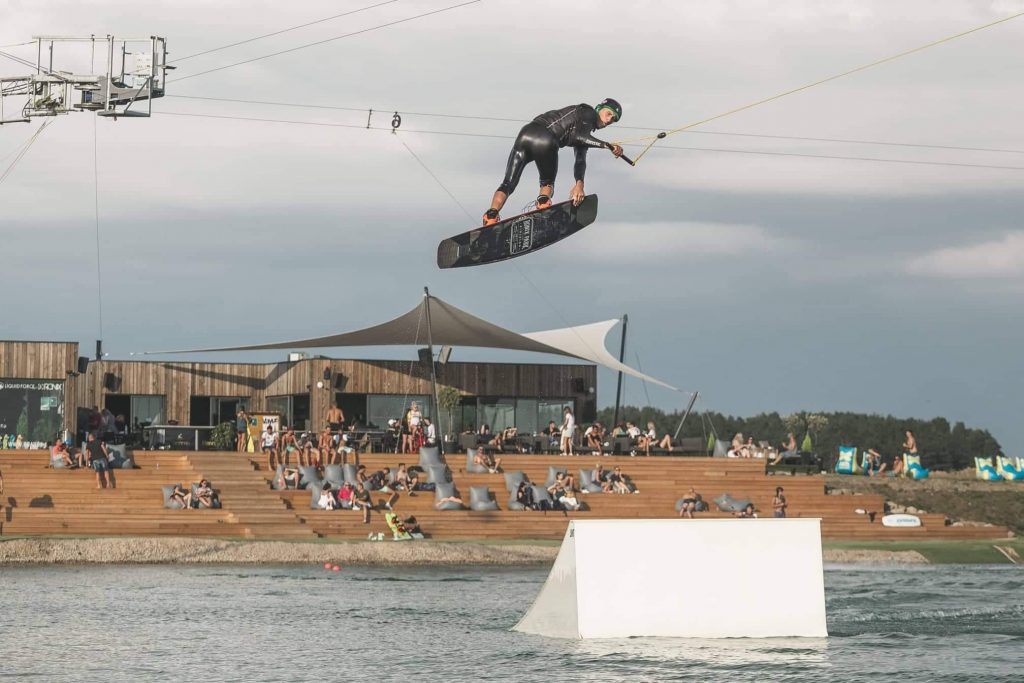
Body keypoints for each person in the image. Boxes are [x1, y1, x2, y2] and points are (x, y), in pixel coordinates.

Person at [482, 99, 624, 225]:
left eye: (613, 119)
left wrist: (579, 185)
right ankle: (543, 206)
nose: (609, 120)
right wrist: (608, 146)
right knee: (547, 183)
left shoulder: (585, 132)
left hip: (525, 134)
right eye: (609, 114)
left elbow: (580, 160)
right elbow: (578, 136)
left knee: (507, 183)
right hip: (545, 138)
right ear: (599, 108)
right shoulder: (588, 112)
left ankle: (491, 216)